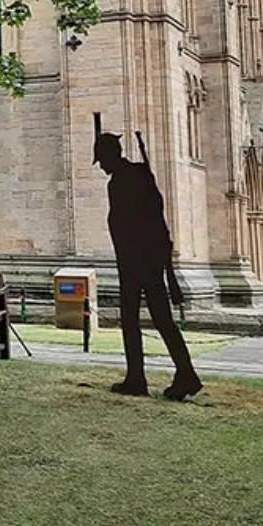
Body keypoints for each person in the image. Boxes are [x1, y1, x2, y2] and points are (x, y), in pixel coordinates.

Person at [96, 124, 203, 401]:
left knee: (132, 320)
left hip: (135, 262)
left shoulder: (120, 182)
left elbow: (125, 223)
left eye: (102, 160)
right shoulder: (139, 174)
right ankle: (181, 373)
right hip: (150, 259)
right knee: (161, 320)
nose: (101, 167)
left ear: (110, 156)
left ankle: (140, 378)